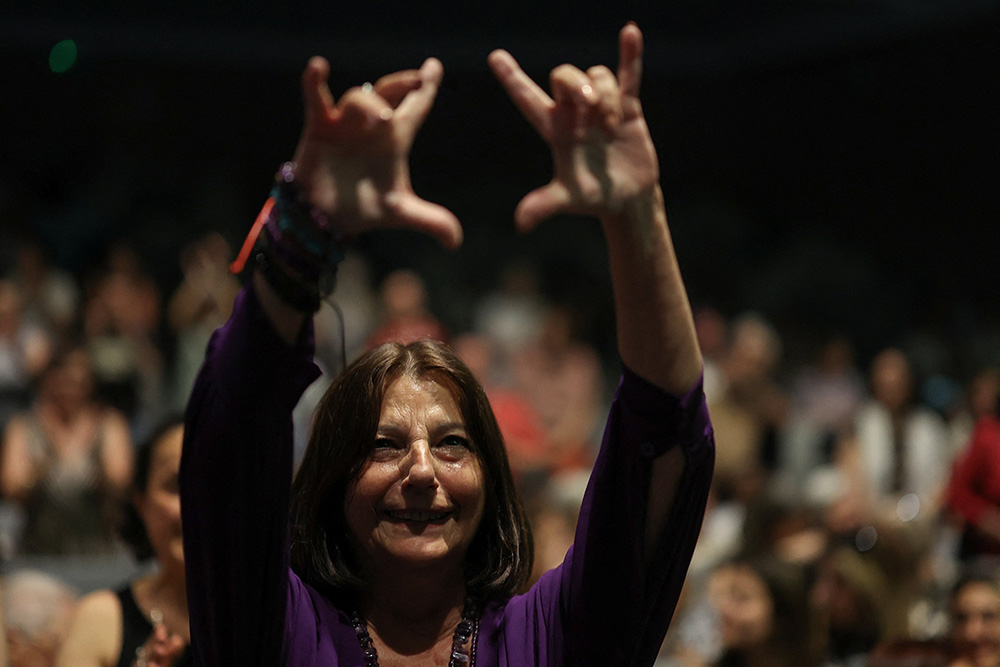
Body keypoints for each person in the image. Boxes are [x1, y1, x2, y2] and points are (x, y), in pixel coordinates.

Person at [180, 23, 714, 666]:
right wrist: (302, 231)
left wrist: (637, 213)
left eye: (452, 444)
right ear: (331, 480)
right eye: (384, 445)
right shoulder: (279, 632)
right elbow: (233, 435)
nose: (423, 473)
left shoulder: (549, 638)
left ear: (491, 477)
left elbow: (663, 432)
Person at [56, 417, 191, 667]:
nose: (198, 505)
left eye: (216, 483)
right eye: (177, 484)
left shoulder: (275, 617)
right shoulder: (100, 619)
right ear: (141, 503)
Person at [0, 344, 133, 556]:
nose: (71, 390)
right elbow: (12, 487)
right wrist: (43, 467)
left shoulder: (108, 423)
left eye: (78, 382)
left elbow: (120, 480)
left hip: (98, 549)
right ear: (49, 381)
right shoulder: (24, 426)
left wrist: (89, 465)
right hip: (39, 550)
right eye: (64, 382)